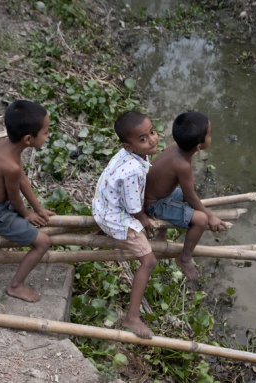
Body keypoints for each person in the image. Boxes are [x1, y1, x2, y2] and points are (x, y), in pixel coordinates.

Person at [0, 100, 55, 303]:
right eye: (45, 132)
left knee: (33, 224)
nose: (48, 135)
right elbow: (15, 196)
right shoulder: (10, 165)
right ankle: (15, 286)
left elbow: (21, 178)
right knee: (43, 242)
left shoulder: (4, 146)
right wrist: (27, 213)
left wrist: (38, 208)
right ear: (28, 139)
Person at [92, 111, 159, 339]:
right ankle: (132, 317)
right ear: (129, 146)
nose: (151, 139)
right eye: (143, 138)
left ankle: (105, 229)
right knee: (149, 262)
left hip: (101, 207)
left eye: (152, 132)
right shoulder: (132, 171)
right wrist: (143, 220)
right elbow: (133, 208)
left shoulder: (128, 154)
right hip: (114, 216)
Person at [144, 111, 228, 281]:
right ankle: (184, 257)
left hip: (153, 195)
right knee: (201, 220)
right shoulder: (182, 164)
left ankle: (161, 233)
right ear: (198, 146)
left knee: (184, 192)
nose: (211, 136)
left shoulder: (175, 149)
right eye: (210, 134)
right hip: (153, 204)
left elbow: (187, 192)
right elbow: (191, 197)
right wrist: (210, 216)